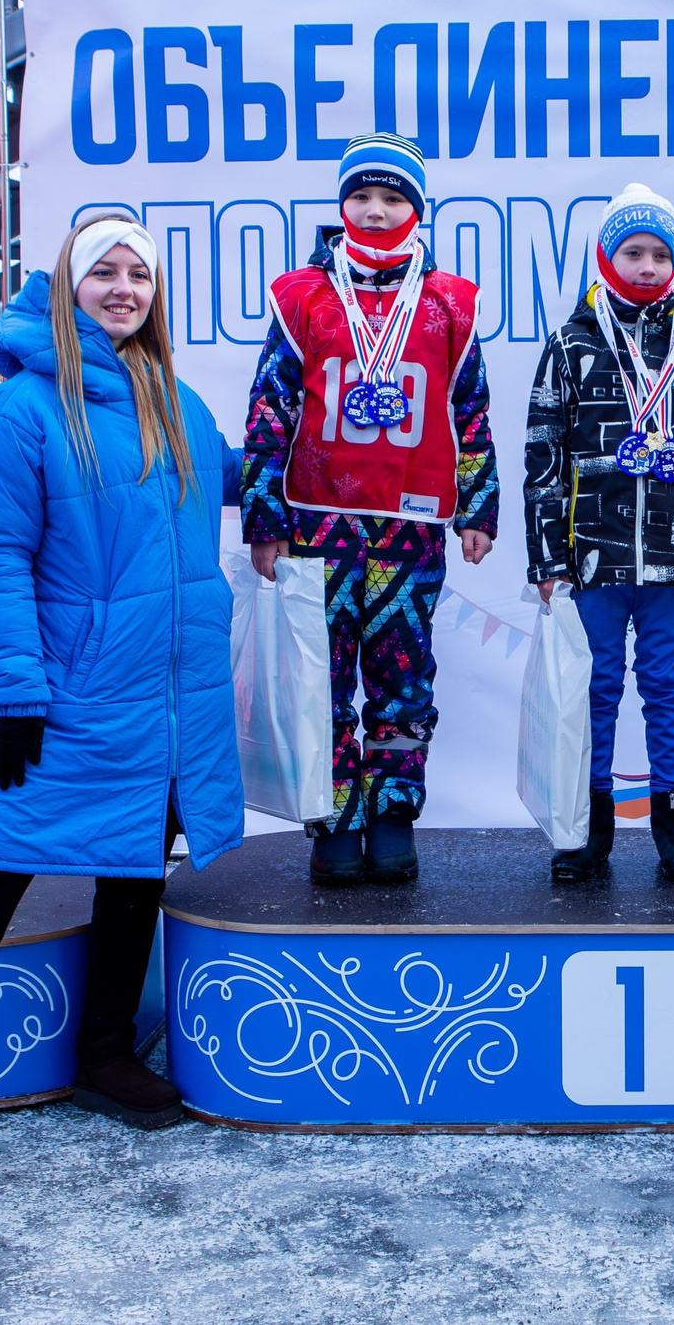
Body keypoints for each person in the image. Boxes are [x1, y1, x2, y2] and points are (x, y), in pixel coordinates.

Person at [0, 213, 245, 1205]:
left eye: (137, 272)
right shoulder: (23, 409)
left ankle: (104, 1048)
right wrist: (15, 693)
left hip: (159, 696)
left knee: (132, 866)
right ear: (67, 287)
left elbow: (238, 484)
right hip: (64, 694)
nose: (122, 286)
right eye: (102, 270)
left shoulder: (178, 401)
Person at [242, 133, 499, 885]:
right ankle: (333, 818)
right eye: (362, 196)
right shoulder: (304, 296)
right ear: (341, 205)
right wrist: (264, 519)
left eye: (393, 199)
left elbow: (471, 408)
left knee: (402, 673)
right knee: (321, 675)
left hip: (410, 527)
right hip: (316, 525)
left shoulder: (451, 300)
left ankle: (391, 813)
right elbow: (270, 409)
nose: (377, 211)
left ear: (418, 209)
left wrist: (478, 506)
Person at [525, 183, 674, 882]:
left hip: (672, 560)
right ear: (606, 255)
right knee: (591, 692)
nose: (647, 266)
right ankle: (586, 827)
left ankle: (673, 823)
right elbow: (543, 454)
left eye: (659, 253)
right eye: (633, 252)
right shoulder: (570, 342)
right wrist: (546, 559)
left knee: (665, 686)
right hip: (591, 557)